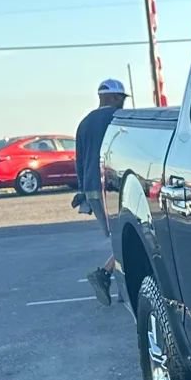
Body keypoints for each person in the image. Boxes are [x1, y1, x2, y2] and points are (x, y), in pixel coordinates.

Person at [73, 78, 127, 305]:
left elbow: (79, 160)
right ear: (113, 97)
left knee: (117, 238)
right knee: (126, 237)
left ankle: (108, 277)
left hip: (92, 188)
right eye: (121, 98)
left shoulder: (84, 123)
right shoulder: (117, 119)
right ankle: (107, 277)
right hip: (113, 186)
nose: (122, 103)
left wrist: (82, 191)